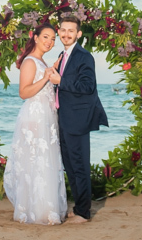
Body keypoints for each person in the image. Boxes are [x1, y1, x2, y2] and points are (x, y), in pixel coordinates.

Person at [45, 14, 109, 223]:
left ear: (78, 34)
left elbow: (87, 86)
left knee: (79, 165)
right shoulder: (63, 55)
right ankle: (79, 206)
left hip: (78, 119)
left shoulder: (84, 56)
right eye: (63, 30)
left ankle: (83, 212)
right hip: (64, 118)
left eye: (71, 31)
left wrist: (60, 80)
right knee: (70, 165)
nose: (66, 34)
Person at [2, 24, 67, 224]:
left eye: (53, 39)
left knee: (45, 162)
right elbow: (24, 92)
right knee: (36, 161)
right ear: (35, 37)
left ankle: (46, 209)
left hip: (47, 117)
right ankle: (36, 211)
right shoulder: (30, 61)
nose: (50, 41)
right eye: (46, 37)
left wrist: (52, 69)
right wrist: (47, 77)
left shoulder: (41, 61)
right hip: (34, 116)